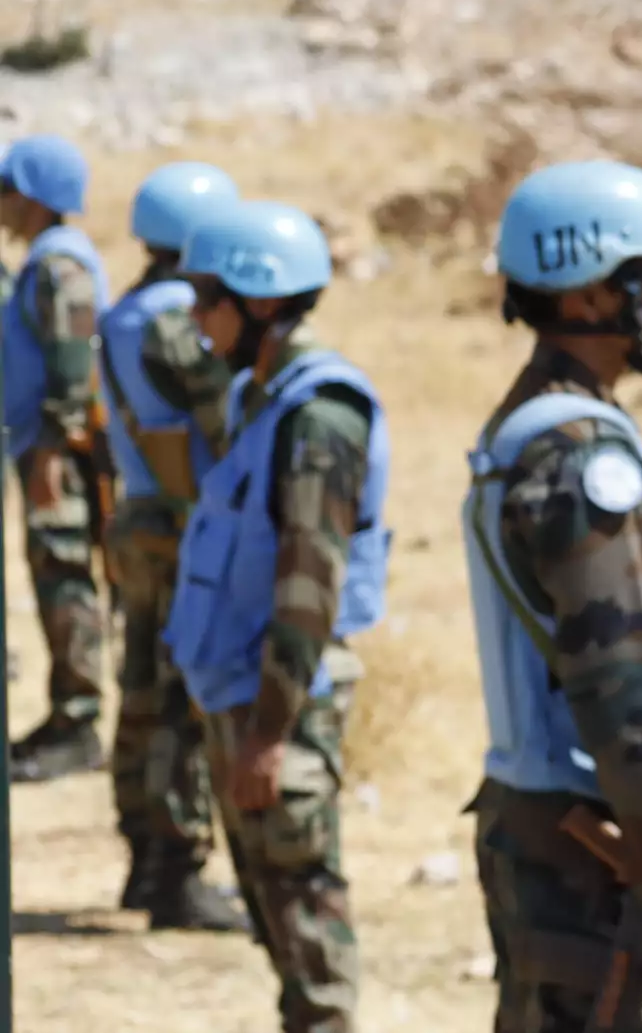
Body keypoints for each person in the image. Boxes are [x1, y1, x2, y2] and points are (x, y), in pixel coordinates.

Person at [461, 159, 642, 1033]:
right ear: (587, 292)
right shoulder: (584, 462)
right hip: (590, 844)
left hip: (557, 826)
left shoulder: (535, 425)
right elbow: (620, 687)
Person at [164, 201, 390, 1033]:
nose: (193, 317)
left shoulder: (318, 414)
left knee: (307, 925)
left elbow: (308, 580)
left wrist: (269, 731)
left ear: (260, 301)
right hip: (241, 693)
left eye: (205, 298)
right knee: (275, 916)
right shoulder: (260, 398)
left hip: (279, 702)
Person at [97, 161, 250, 930]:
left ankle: (143, 855)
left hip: (138, 517)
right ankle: (175, 867)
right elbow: (225, 426)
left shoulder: (123, 312)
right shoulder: (177, 322)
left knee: (140, 688)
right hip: (184, 527)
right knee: (181, 700)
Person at [0, 134, 114, 783]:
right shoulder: (43, 262)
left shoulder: (58, 266)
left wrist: (50, 447)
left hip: (57, 456)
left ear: (34, 199)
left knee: (64, 575)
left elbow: (73, 367)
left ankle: (77, 719)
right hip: (43, 447)